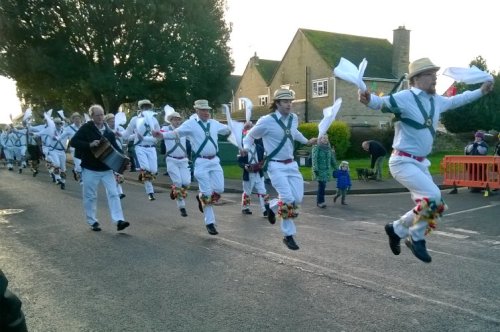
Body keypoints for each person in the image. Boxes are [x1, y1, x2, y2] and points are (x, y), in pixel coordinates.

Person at [359, 57, 494, 263]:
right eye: (430, 74)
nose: (435, 78)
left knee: (436, 205)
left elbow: (458, 100)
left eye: (435, 74)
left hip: (421, 163)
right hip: (402, 161)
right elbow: (381, 102)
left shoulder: (436, 101)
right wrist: (368, 99)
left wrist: (481, 91)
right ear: (416, 78)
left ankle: (396, 229)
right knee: (432, 196)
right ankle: (416, 237)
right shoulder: (404, 97)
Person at [242, 88, 317, 250]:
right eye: (285, 102)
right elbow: (250, 136)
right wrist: (247, 148)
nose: (289, 104)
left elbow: (294, 133)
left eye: (290, 101)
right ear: (277, 103)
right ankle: (288, 235)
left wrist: (307, 141)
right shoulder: (266, 121)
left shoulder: (294, 118)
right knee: (288, 199)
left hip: (291, 164)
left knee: (297, 199)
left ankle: (272, 206)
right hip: (275, 165)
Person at [154, 99, 231, 235]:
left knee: (219, 189)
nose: (206, 112)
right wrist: (162, 135)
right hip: (201, 162)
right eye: (203, 110)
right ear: (197, 111)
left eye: (207, 110)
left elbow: (227, 130)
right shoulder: (190, 124)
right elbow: (176, 133)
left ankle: (201, 197)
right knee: (207, 192)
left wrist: (242, 127)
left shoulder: (214, 123)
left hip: (215, 161)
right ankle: (210, 223)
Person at [70, 104, 130, 232]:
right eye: (98, 115)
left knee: (114, 194)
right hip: (90, 168)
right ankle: (93, 221)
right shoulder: (86, 128)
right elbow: (73, 142)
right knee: (90, 196)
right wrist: (89, 144)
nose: (101, 117)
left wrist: (124, 159)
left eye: (102, 114)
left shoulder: (108, 130)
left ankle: (119, 220)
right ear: (92, 116)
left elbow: (115, 146)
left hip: (106, 168)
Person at [123, 99, 161, 201]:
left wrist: (143, 138)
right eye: (144, 107)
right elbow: (127, 133)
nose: (146, 109)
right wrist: (119, 136)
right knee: (146, 168)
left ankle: (142, 175)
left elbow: (157, 138)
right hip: (140, 147)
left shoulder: (154, 120)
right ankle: (150, 192)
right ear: (141, 108)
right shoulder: (135, 119)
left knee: (154, 170)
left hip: (151, 148)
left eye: (148, 107)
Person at [159, 111, 191, 217]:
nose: (177, 121)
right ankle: (181, 207)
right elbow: (159, 134)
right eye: (175, 119)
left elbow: (193, 137)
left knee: (186, 182)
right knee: (178, 182)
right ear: (171, 120)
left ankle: (174, 191)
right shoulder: (166, 129)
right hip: (171, 160)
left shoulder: (183, 130)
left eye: (179, 119)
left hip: (183, 160)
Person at [237, 122, 269, 216]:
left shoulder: (259, 148)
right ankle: (245, 208)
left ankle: (265, 209)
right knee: (247, 192)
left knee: (262, 191)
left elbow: (263, 159)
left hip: (258, 173)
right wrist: (245, 166)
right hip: (248, 173)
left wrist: (262, 164)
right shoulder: (242, 149)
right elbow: (239, 162)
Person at [105, 113, 127, 199]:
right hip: (110, 154)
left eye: (113, 121)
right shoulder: (105, 131)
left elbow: (126, 137)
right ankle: (118, 192)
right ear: (106, 122)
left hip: (120, 153)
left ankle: (118, 192)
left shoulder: (120, 128)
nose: (113, 122)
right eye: (110, 121)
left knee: (117, 173)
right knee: (113, 174)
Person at [312, 134, 337, 208]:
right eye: (324, 138)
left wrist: (336, 168)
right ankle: (320, 202)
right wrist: (315, 169)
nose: (326, 139)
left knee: (323, 185)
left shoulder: (329, 148)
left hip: (326, 171)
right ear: (320, 139)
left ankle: (320, 201)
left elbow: (332, 159)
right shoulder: (316, 148)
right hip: (319, 170)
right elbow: (314, 159)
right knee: (322, 185)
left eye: (327, 138)